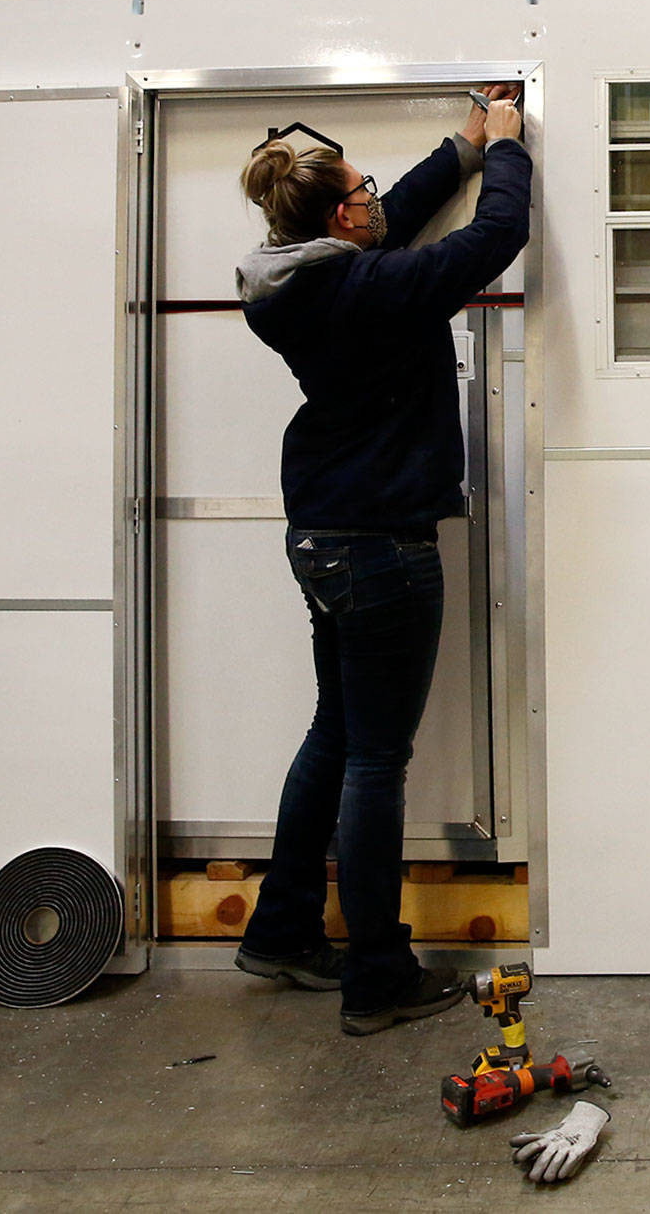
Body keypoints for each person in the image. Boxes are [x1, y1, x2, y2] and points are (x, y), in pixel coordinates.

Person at [229, 86, 531, 1035]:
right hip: (382, 551)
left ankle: (278, 930)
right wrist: (511, 153)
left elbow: (393, 211)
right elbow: (492, 239)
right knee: (374, 764)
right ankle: (377, 975)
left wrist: (464, 143)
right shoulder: (367, 286)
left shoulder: (294, 276)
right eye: (361, 191)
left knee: (335, 737)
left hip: (323, 536)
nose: (375, 202)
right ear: (337, 215)